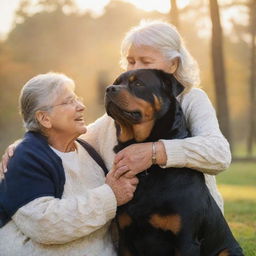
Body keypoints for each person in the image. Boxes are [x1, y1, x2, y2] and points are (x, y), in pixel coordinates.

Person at [1, 20, 231, 213]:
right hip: (140, 225)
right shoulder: (124, 110)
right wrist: (29, 144)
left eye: (146, 61)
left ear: (173, 64)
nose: (134, 68)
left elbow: (218, 153)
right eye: (131, 61)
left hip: (193, 221)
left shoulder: (191, 99)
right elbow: (76, 138)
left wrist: (154, 152)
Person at [0, 72, 138, 256]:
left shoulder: (88, 149)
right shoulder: (27, 157)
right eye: (68, 102)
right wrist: (110, 196)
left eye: (77, 99)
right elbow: (45, 225)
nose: (81, 106)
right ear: (44, 118)